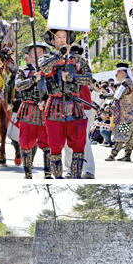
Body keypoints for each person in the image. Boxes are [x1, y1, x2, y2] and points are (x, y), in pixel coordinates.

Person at [39, 29, 92, 178]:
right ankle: (58, 178)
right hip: (54, 107)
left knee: (79, 145)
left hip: (75, 107)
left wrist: (72, 78)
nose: (62, 40)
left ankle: (76, 177)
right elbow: (43, 68)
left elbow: (88, 78)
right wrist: (60, 55)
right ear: (52, 40)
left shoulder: (77, 59)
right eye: (58, 37)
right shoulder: (47, 58)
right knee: (55, 146)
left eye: (64, 37)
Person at [15, 42, 51, 179]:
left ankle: (48, 173)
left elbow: (55, 88)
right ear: (29, 54)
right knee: (25, 143)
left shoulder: (50, 70)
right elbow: (18, 86)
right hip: (28, 110)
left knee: (48, 143)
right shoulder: (23, 70)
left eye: (41, 52)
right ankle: (28, 173)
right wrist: (32, 80)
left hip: (45, 110)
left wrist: (46, 101)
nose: (37, 54)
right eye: (34, 52)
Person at [105, 63, 133, 162]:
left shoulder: (125, 83)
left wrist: (106, 96)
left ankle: (112, 155)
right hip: (131, 113)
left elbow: (117, 96)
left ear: (122, 72)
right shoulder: (130, 82)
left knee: (121, 134)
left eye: (117, 72)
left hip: (125, 114)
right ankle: (127, 156)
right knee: (129, 136)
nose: (116, 75)